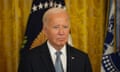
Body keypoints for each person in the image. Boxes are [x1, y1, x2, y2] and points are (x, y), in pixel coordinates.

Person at [18, 8, 92, 72]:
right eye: (56, 27)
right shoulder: (29, 59)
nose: (61, 32)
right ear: (45, 30)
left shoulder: (82, 59)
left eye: (65, 27)